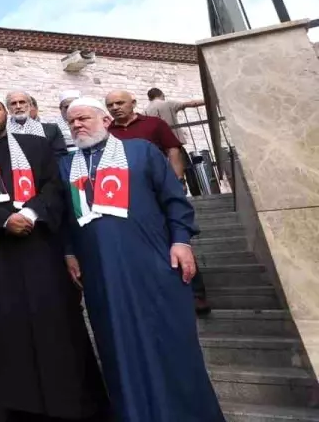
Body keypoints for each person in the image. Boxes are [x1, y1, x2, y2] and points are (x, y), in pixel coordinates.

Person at [61, 99, 223, 422]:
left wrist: (180, 241)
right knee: (120, 352)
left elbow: (174, 201)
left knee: (172, 345)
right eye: (72, 121)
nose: (77, 125)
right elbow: (65, 217)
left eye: (84, 118)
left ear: (106, 120)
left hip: (152, 267)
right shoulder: (65, 167)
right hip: (102, 279)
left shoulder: (140, 152)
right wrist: (68, 251)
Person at [0, 93, 107, 422]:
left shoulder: (35, 146)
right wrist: (5, 220)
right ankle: (21, 409)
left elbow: (53, 186)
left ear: (6, 112)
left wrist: (31, 213)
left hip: (41, 248)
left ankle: (73, 405)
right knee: (8, 330)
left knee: (56, 324)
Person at [105, 89, 211, 314]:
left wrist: (177, 178)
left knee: (178, 238)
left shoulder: (154, 124)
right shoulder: (107, 133)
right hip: (133, 197)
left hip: (161, 189)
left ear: (133, 103)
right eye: (111, 105)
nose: (115, 108)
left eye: (120, 103)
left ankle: (196, 293)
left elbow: (172, 150)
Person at [6, 91, 68, 159]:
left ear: (30, 105)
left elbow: (60, 157)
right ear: (8, 108)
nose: (18, 106)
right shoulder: (2, 131)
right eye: (13, 103)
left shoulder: (50, 130)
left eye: (22, 102)